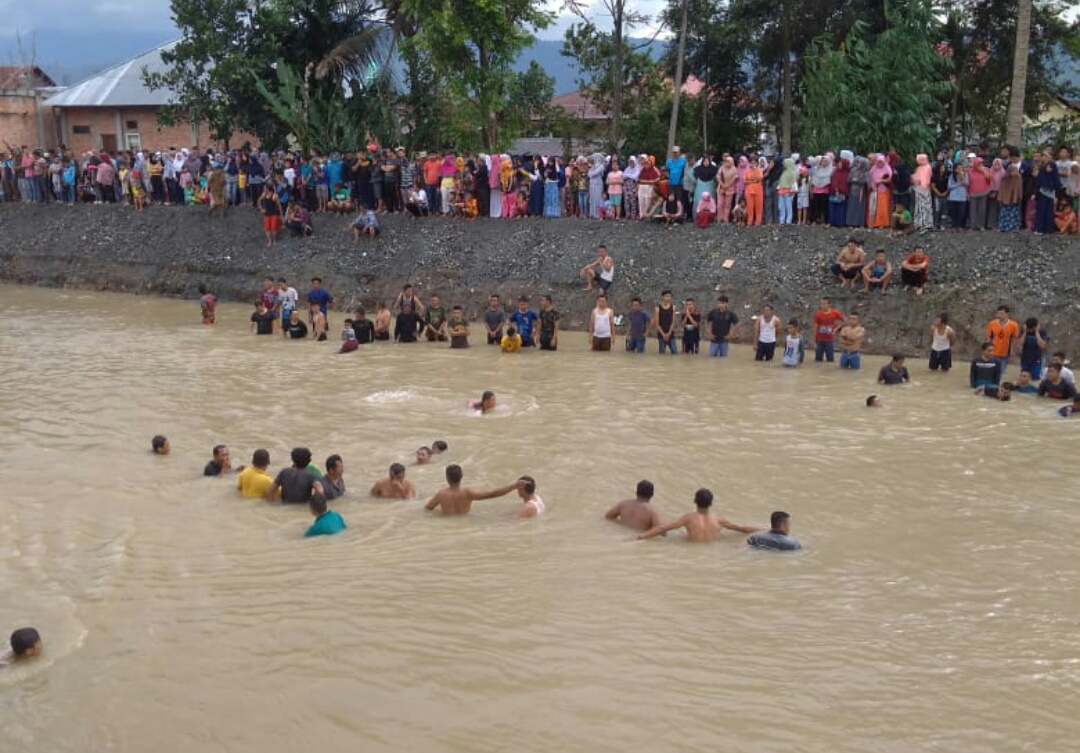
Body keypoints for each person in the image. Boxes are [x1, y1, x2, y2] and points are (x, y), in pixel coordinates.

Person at [636, 488, 763, 543]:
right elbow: (743, 528)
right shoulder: (719, 519)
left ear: (694, 501)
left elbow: (662, 528)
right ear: (711, 503)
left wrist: (639, 537)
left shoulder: (688, 518)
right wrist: (765, 529)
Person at [423, 464, 524, 516]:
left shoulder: (441, 494)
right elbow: (493, 494)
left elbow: (428, 508)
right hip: (465, 524)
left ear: (447, 478)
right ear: (462, 476)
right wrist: (514, 486)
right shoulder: (468, 493)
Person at [985, 305, 1020, 376]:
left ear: (1007, 314)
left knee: (1001, 372)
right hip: (993, 352)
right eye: (998, 313)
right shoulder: (992, 324)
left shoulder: (1014, 325)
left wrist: (1013, 351)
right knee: (991, 371)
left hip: (1005, 353)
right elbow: (989, 338)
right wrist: (987, 350)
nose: (999, 315)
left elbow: (1014, 339)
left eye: (1001, 314)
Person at [813, 297, 845, 363]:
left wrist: (836, 329)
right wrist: (815, 341)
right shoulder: (818, 314)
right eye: (821, 304)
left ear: (829, 304)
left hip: (830, 340)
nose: (822, 306)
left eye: (824, 304)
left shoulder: (834, 313)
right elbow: (815, 328)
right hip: (820, 340)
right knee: (818, 360)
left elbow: (844, 320)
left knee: (830, 360)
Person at [653, 290, 678, 355]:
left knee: (674, 352)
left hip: (670, 333)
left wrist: (669, 333)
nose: (668, 298)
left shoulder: (673, 307)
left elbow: (673, 322)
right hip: (661, 333)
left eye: (669, 296)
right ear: (662, 297)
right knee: (662, 353)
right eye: (666, 296)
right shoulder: (657, 308)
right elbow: (657, 323)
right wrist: (664, 334)